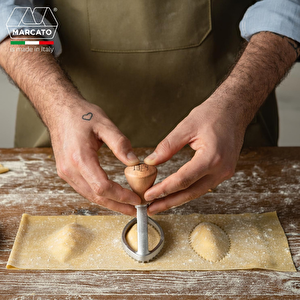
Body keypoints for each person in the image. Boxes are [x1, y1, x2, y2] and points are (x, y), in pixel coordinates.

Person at [0, 0, 300, 216]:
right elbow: (7, 11)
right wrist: (55, 103)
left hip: (231, 128)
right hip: (62, 128)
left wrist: (238, 102)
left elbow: (285, 5)